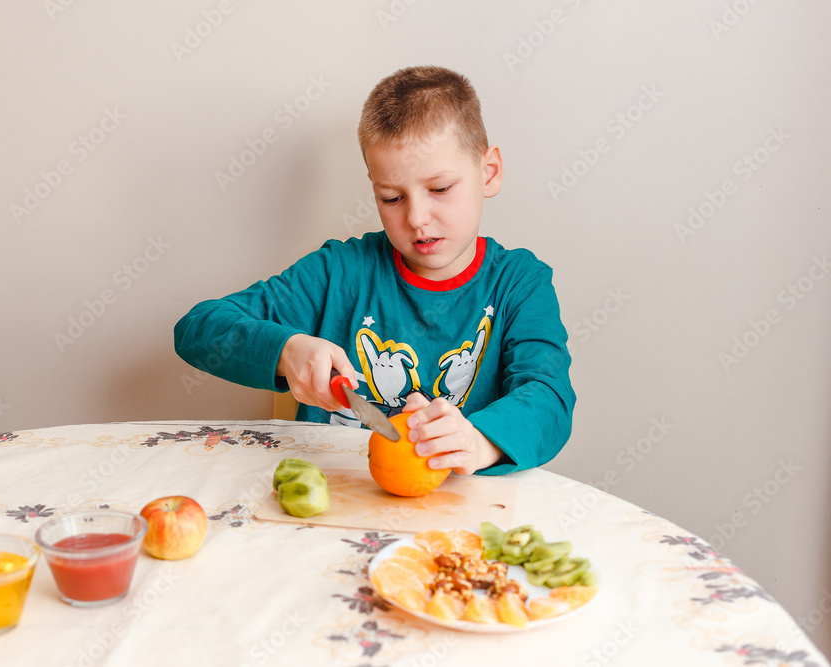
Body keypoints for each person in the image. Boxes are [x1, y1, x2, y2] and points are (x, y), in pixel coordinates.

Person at [174, 65, 575, 476]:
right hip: (333, 494)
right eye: (391, 198)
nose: (417, 218)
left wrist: (477, 442)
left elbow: (549, 397)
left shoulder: (520, 283)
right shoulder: (338, 272)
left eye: (439, 189)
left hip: (460, 504)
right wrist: (286, 350)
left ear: (489, 173)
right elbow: (197, 328)